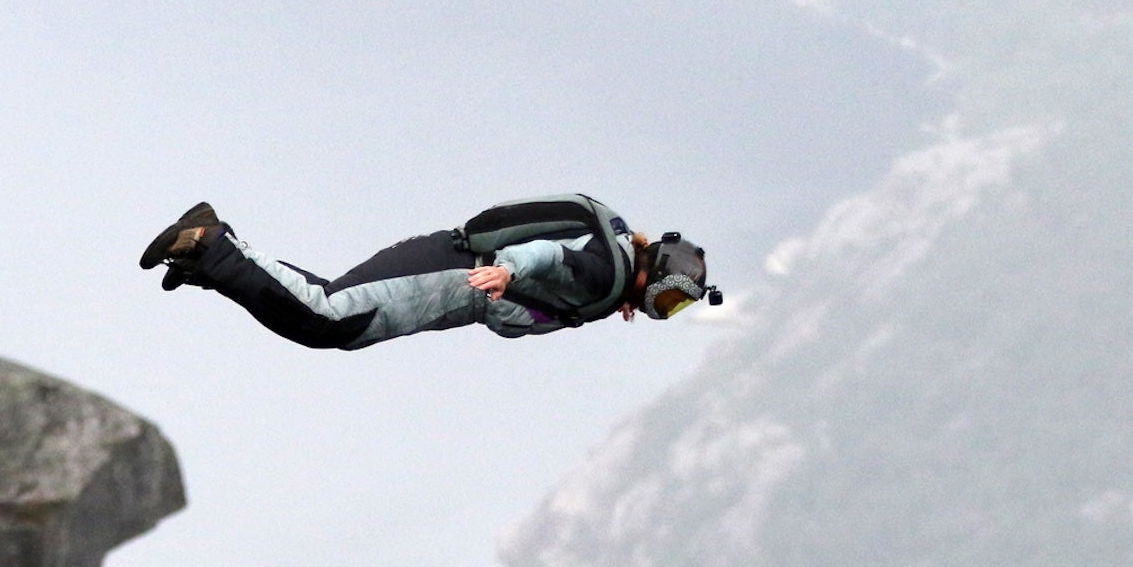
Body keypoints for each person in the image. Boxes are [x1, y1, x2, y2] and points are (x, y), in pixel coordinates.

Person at [138, 195, 720, 351]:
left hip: (449, 266)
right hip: (455, 275)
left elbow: (559, 277)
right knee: (329, 319)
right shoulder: (601, 275)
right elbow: (550, 257)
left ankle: (208, 261)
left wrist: (587, 302)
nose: (660, 311)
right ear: (656, 275)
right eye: (668, 301)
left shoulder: (609, 267)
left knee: (328, 308)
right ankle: (212, 244)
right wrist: (507, 272)